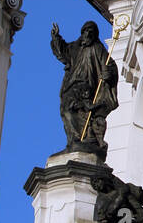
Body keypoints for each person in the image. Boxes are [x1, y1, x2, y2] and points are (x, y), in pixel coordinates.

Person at [50, 20, 118, 158]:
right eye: (85, 31)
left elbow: (110, 65)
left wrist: (108, 73)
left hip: (87, 86)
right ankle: (73, 140)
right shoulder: (75, 47)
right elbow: (63, 52)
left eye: (90, 32)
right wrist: (56, 38)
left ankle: (82, 139)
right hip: (71, 86)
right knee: (66, 111)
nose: (87, 34)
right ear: (82, 33)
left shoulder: (97, 49)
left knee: (79, 112)